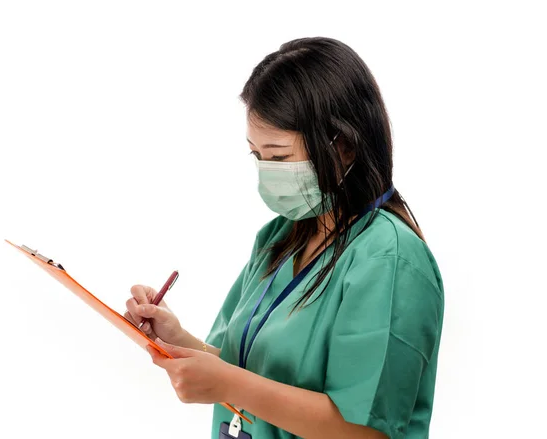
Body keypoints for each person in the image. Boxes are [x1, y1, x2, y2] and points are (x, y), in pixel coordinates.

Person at [124, 36, 444, 439]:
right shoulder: (279, 238)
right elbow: (244, 370)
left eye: (279, 156)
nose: (267, 171)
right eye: (257, 156)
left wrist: (227, 384)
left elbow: (367, 431)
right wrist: (177, 339)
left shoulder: (389, 259)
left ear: (343, 147)